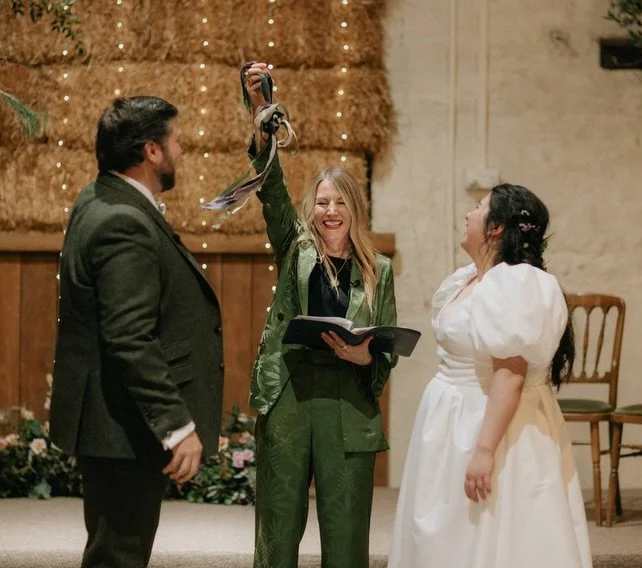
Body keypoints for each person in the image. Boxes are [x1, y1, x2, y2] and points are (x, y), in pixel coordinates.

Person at [49, 96, 224, 568]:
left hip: (114, 421)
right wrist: (177, 425)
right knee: (118, 557)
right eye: (176, 140)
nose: (181, 150)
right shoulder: (123, 220)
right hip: (123, 425)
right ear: (151, 150)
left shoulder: (98, 197)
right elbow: (128, 337)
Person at [240, 63, 398, 568]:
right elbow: (271, 193)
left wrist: (365, 355)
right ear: (312, 208)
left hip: (348, 401)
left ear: (355, 209)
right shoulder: (295, 248)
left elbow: (387, 349)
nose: (331, 211)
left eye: (340, 203)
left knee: (346, 533)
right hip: (291, 393)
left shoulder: (379, 270)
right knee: (278, 527)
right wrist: (260, 118)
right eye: (322, 202)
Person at [389, 184, 592, 568]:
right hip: (452, 422)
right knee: (448, 538)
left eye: (478, 207)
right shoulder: (470, 278)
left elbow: (511, 374)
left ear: (496, 228)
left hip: (490, 425)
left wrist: (484, 450)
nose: (468, 214)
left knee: (494, 530)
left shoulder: (515, 283)